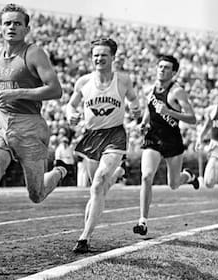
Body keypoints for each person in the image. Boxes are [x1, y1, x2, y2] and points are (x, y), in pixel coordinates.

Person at [0, 4, 67, 273]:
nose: (11, 27)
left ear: (26, 28)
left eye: (17, 23)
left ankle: (59, 172)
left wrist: (17, 94)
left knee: (36, 194)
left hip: (29, 127)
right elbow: (4, 87)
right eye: (7, 23)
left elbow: (55, 90)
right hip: (0, 124)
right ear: (0, 27)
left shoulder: (34, 53)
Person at [66, 38, 141, 253]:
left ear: (113, 57)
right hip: (91, 137)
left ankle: (84, 238)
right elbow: (70, 105)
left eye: (103, 55)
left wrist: (135, 109)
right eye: (95, 55)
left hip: (114, 136)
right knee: (96, 190)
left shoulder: (123, 80)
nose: (99, 58)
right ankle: (116, 175)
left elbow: (134, 100)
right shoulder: (83, 82)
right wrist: (71, 114)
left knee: (98, 183)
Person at [133, 55, 199, 236]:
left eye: (167, 67)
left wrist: (169, 111)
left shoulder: (177, 92)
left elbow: (192, 118)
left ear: (174, 72)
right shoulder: (149, 88)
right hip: (153, 137)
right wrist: (144, 123)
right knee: (146, 176)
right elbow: (149, 108)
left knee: (174, 184)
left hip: (172, 140)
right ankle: (143, 221)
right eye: (160, 66)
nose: (162, 70)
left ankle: (189, 176)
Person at [195, 79, 218, 223]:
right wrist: (199, 139)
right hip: (216, 149)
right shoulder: (212, 110)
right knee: (209, 183)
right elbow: (206, 127)